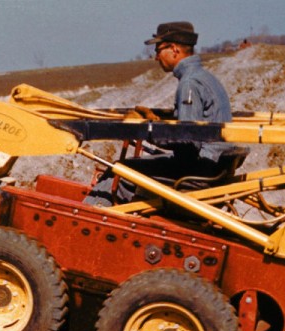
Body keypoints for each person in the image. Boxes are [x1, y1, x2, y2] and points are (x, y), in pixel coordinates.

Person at [84, 21, 246, 206]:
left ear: (174, 49)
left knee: (119, 171)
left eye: (158, 50)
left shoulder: (190, 84)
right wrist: (157, 121)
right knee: (132, 165)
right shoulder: (205, 77)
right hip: (211, 167)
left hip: (199, 171)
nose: (156, 57)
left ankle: (86, 216)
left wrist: (148, 131)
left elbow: (188, 141)